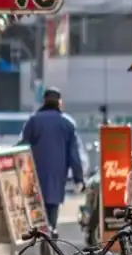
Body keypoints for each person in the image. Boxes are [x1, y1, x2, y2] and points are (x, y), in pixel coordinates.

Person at [21, 88, 85, 233]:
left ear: (43, 101)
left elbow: (23, 148)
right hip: (57, 178)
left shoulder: (33, 121)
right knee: (52, 211)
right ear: (59, 103)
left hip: (33, 177)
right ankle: (51, 232)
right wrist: (78, 179)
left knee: (37, 212)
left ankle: (41, 235)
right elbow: (74, 155)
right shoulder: (67, 124)